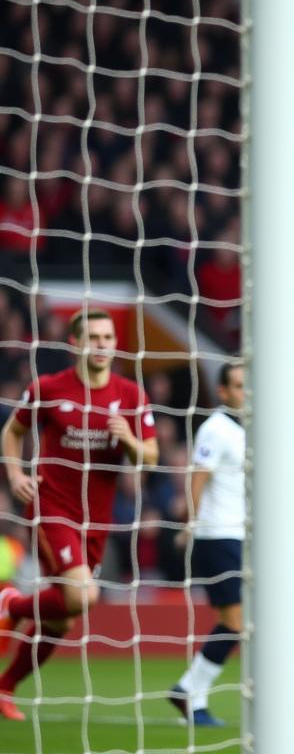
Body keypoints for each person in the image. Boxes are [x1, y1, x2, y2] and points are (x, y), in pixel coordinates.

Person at [0, 308, 158, 720]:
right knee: (83, 594)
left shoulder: (131, 396)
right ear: (76, 344)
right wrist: (15, 473)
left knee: (65, 616)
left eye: (108, 338)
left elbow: (152, 456)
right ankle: (11, 603)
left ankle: (5, 686)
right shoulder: (50, 388)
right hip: (51, 506)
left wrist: (128, 440)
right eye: (93, 338)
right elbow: (13, 430)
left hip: (96, 519)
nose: (102, 345)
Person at [167, 362, 246, 728]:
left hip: (245, 537)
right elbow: (196, 480)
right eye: (240, 386)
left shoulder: (252, 428)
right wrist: (191, 524)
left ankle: (278, 708)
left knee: (258, 623)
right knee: (235, 620)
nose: (248, 392)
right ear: (224, 392)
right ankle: (191, 691)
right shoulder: (215, 430)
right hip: (217, 535)